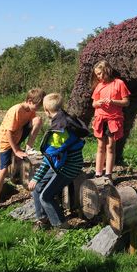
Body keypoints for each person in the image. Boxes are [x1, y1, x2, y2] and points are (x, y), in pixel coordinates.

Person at [28, 93, 86, 230]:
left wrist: (36, 178)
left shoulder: (58, 132)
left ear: (46, 110)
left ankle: (62, 226)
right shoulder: (64, 118)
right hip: (61, 162)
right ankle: (43, 219)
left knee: (45, 196)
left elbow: (49, 159)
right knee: (37, 188)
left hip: (68, 166)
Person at [0, 88, 45, 214]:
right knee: (3, 169)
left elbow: (31, 124)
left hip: (18, 134)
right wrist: (16, 150)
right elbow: (8, 133)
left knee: (38, 120)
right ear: (29, 100)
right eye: (37, 105)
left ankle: (29, 147)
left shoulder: (30, 110)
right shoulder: (16, 110)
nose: (38, 108)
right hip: (7, 141)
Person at [91, 59, 131, 184]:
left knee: (110, 147)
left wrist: (113, 101)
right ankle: (98, 174)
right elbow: (94, 103)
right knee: (100, 146)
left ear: (107, 71)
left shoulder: (119, 83)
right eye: (97, 74)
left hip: (113, 120)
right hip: (100, 119)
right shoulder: (98, 86)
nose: (100, 76)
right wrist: (98, 103)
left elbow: (126, 102)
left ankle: (108, 174)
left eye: (101, 73)